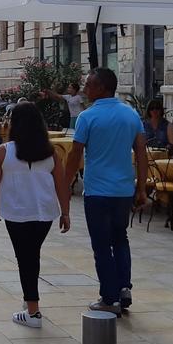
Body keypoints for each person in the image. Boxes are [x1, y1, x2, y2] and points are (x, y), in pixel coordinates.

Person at [63, 68, 148, 315]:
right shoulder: (131, 114)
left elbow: (75, 153)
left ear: (102, 88)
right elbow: (141, 153)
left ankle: (108, 298)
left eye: (89, 84)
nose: (85, 89)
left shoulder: (87, 117)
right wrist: (141, 187)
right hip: (123, 190)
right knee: (120, 238)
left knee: (101, 245)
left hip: (98, 191)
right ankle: (123, 288)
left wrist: (65, 185)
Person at [0, 102, 68, 328]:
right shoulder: (51, 153)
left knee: (26, 258)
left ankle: (33, 311)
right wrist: (66, 213)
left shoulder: (4, 151)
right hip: (44, 214)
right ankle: (29, 301)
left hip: (16, 213)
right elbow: (62, 185)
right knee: (32, 255)